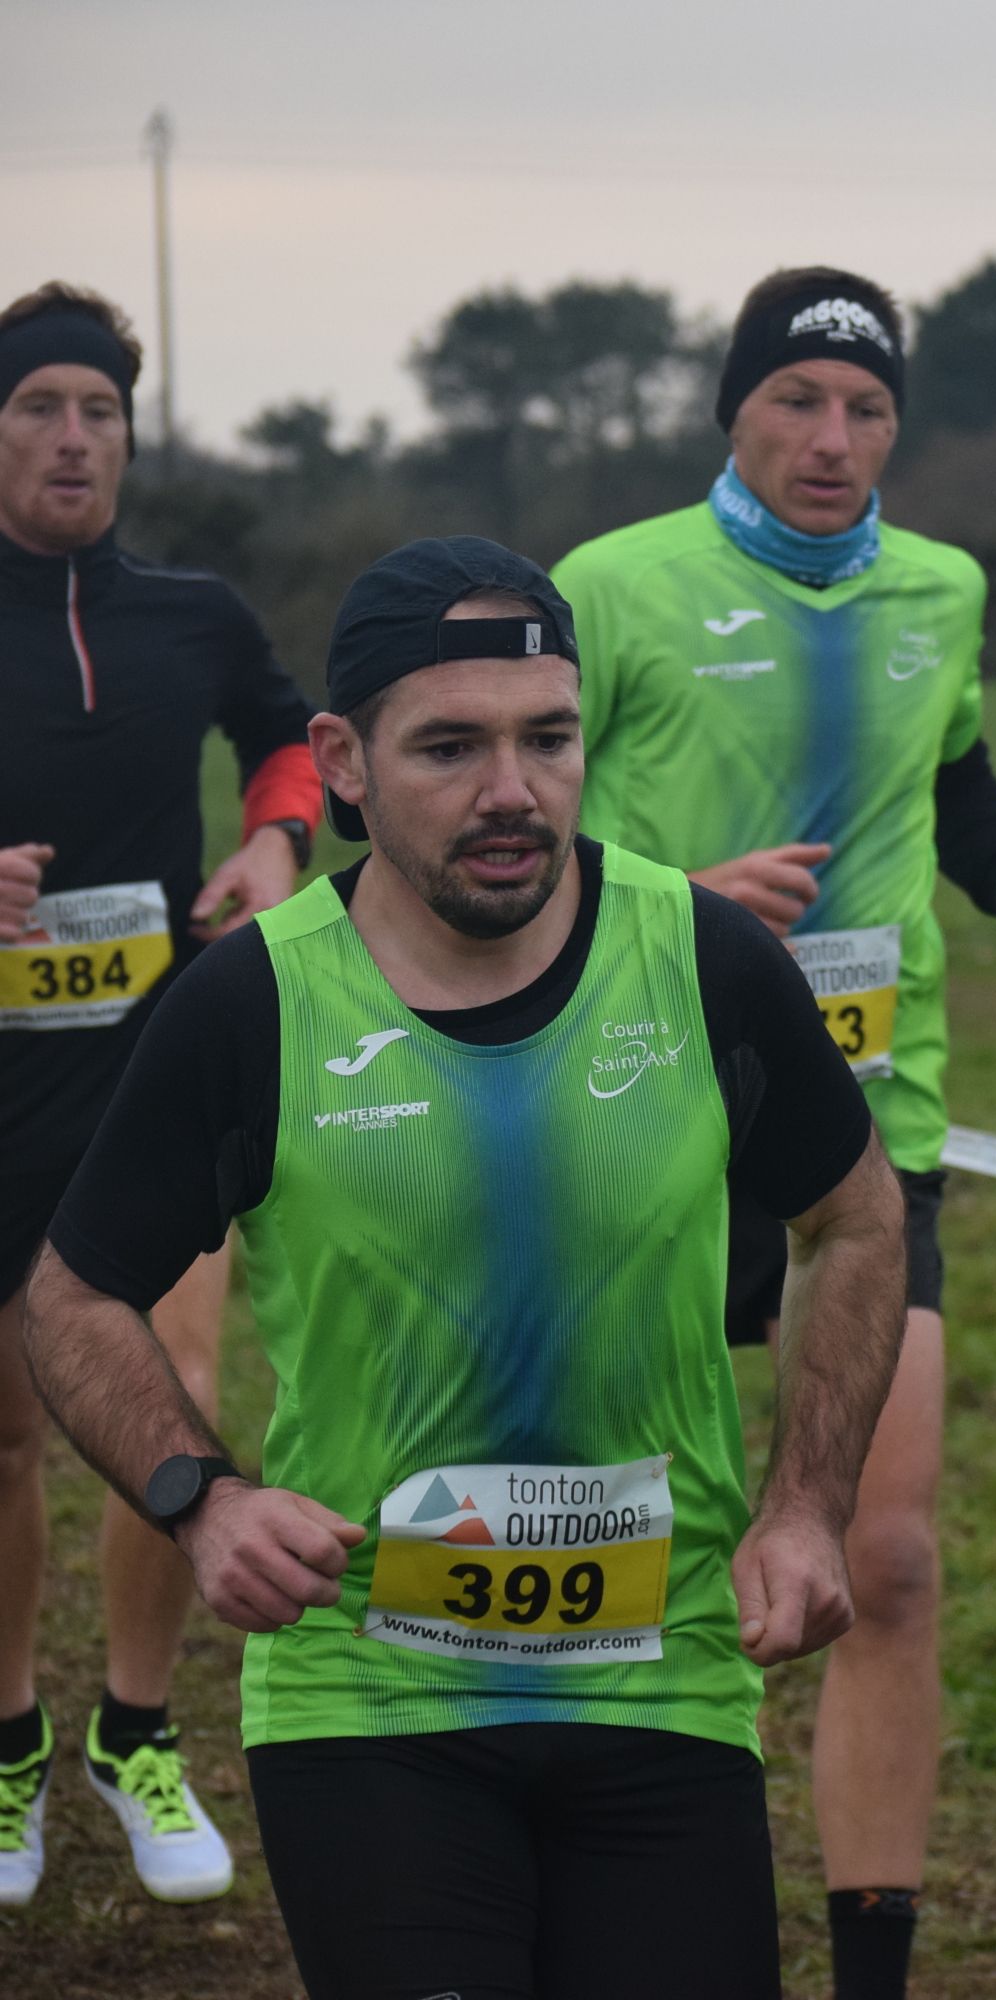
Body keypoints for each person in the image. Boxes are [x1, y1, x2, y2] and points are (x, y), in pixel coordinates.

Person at [19, 536, 905, 1996]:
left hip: (662, 1679)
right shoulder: (256, 1001)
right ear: (343, 763)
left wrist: (808, 1504)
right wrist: (203, 1500)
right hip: (368, 1695)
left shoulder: (704, 959)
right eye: (451, 747)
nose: (513, 790)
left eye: (548, 738)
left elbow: (857, 1219)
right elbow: (74, 1291)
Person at [552, 265, 996, 2000]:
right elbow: (507, 825)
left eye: (867, 410)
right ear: (733, 409)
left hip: (870, 1120)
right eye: (797, 400)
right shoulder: (611, 587)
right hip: (640, 1110)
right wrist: (673, 899)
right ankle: (591, 1901)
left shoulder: (941, 587)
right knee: (602, 1543)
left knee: (889, 1554)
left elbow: (954, 780)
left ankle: (872, 1972)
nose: (832, 438)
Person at [0, 280, 324, 1908]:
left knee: (170, 1408)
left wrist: (275, 840)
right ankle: (6, 1753)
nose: (74, 437)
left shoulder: (192, 614)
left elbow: (293, 738)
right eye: (38, 408)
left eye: (100, 412)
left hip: (152, 1070)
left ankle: (134, 1734)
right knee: (5, 1434)